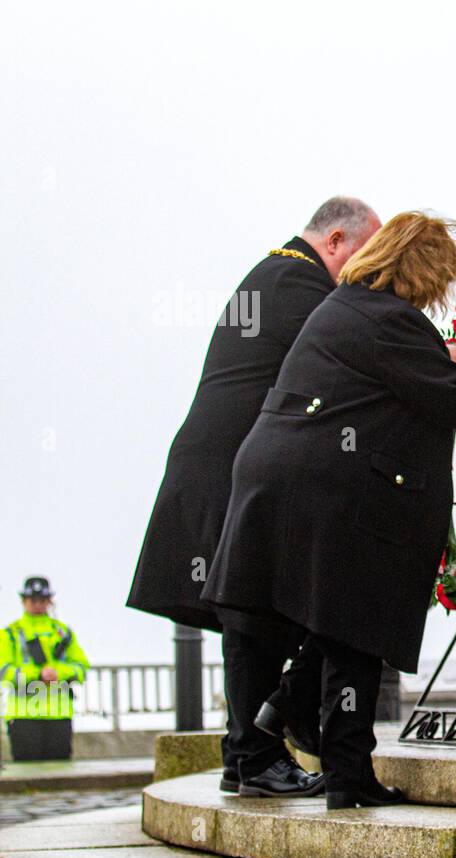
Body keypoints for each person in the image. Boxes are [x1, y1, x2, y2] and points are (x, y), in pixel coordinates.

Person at [201, 211, 456, 808]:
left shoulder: (347, 308)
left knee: (311, 621)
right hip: (329, 491)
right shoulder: (388, 319)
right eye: (441, 276)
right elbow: (451, 395)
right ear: (422, 271)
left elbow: (440, 379)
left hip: (280, 479)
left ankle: (281, 726)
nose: (443, 291)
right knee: (355, 626)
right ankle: (347, 775)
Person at [127, 197, 383, 797]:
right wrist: (432, 358)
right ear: (338, 240)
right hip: (229, 472)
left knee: (255, 616)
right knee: (252, 618)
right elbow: (354, 353)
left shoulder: (273, 273)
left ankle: (244, 756)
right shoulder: (298, 280)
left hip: (221, 466)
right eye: (367, 254)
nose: (369, 271)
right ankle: (256, 757)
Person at [0, 577, 89, 761]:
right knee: (27, 775)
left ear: (49, 601)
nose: (38, 605)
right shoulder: (11, 633)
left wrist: (59, 673)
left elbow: (81, 668)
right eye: (33, 600)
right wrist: (37, 674)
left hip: (59, 716)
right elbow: (4, 671)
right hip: (24, 716)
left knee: (61, 774)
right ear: (24, 601)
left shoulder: (63, 632)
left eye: (42, 600)